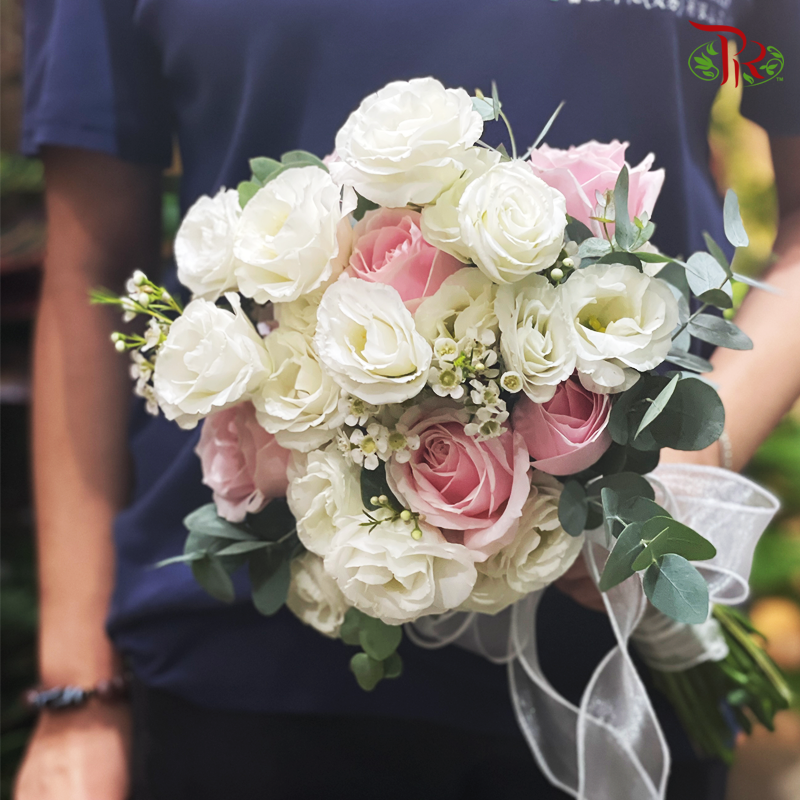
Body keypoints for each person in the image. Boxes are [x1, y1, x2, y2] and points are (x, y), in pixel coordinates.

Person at [15, 1, 800, 798]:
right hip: (247, 663)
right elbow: (92, 268)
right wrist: (77, 694)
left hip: (618, 658)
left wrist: (683, 464)